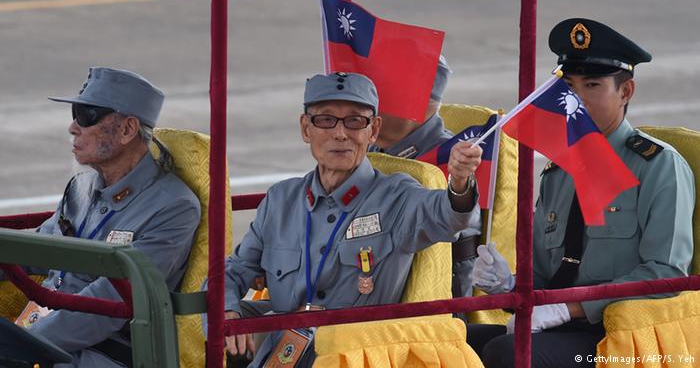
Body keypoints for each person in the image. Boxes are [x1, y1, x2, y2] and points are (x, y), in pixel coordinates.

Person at [467, 18, 695, 368]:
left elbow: (664, 273)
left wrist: (567, 308)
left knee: (507, 353)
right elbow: (546, 273)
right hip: (561, 327)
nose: (576, 100)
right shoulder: (559, 171)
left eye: (592, 85)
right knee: (453, 338)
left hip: (619, 336)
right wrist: (509, 285)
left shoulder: (656, 165)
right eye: (569, 87)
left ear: (626, 92)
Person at [221, 72, 483, 367]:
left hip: (357, 356)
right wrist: (228, 311)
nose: (340, 133)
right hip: (284, 351)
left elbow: (449, 215)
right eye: (325, 120)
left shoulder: (397, 196)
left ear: (373, 130)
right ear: (306, 128)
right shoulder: (281, 200)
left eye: (355, 121)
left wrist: (459, 180)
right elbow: (234, 270)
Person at [24, 67, 201, 367]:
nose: (73, 127)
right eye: (74, 112)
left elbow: (107, 306)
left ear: (127, 130)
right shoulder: (81, 187)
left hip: (104, 352)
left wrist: (26, 344)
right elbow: (39, 250)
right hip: (48, 331)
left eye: (86, 115)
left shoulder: (173, 207)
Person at [369, 55, 482, 303]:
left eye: (380, 100)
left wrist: (460, 180)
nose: (369, 111)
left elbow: (462, 217)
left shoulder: (451, 157)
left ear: (416, 106)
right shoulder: (371, 149)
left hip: (431, 300)